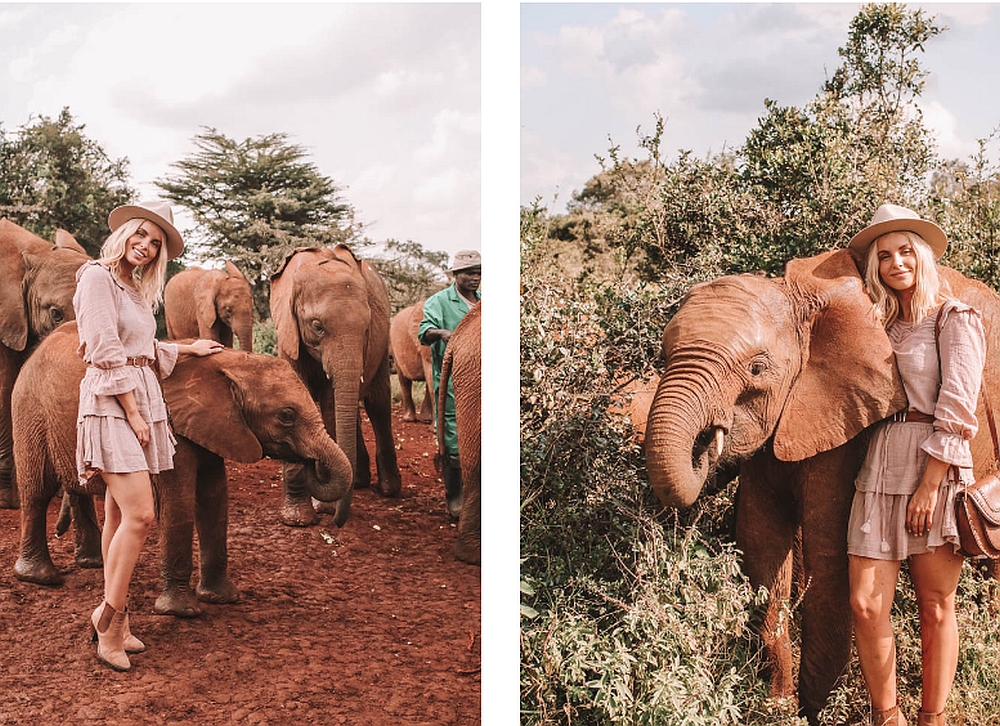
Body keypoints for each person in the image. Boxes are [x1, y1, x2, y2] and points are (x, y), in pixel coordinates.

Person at [846, 204, 985, 726]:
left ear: (923, 256)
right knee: (864, 603)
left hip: (935, 461)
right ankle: (888, 716)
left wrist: (931, 485)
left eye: (906, 250)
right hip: (880, 460)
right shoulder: (878, 320)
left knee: (934, 603)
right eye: (885, 255)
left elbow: (957, 405)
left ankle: (933, 718)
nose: (896, 261)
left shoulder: (953, 317)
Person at [75, 201, 223, 671]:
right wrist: (135, 413)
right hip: (112, 401)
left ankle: (117, 618)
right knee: (141, 514)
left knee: (118, 515)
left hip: (138, 393)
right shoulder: (96, 277)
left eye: (155, 243)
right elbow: (103, 348)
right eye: (140, 235)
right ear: (123, 234)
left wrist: (184, 346)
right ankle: (109, 619)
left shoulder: (135, 289)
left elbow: (139, 346)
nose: (145, 245)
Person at [418, 249, 482, 518]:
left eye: (479, 272)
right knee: (454, 440)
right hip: (453, 383)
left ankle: (475, 499)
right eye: (469, 272)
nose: (475, 278)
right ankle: (454, 498)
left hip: (483, 379)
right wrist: (443, 333)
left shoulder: (485, 302)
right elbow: (424, 332)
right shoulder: (439, 302)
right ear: (456, 274)